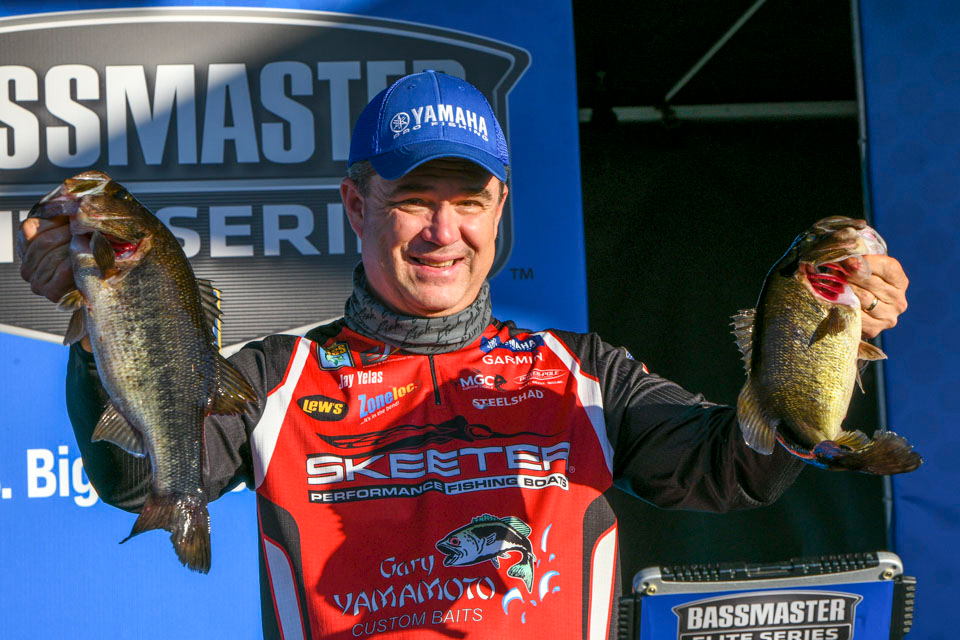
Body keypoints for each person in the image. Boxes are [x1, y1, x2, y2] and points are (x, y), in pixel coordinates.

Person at [17, 70, 909, 640]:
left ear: (502, 206)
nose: (445, 231)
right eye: (414, 197)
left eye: (470, 199)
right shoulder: (274, 376)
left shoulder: (584, 371)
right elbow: (139, 479)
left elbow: (732, 470)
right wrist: (102, 334)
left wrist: (829, 345)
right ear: (354, 203)